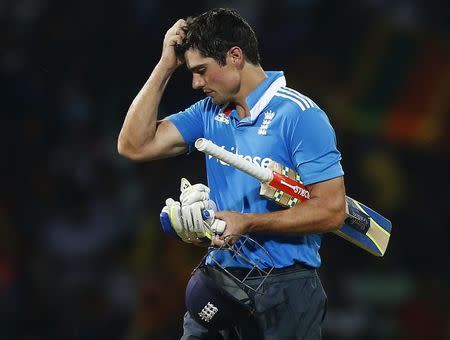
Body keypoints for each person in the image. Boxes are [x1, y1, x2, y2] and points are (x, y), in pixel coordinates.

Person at [118, 8, 346, 339]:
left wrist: (248, 222)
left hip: (286, 288)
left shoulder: (299, 115)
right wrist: (165, 66)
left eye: (201, 71)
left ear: (235, 56)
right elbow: (133, 146)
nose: (196, 83)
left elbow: (332, 210)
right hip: (219, 278)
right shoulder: (209, 112)